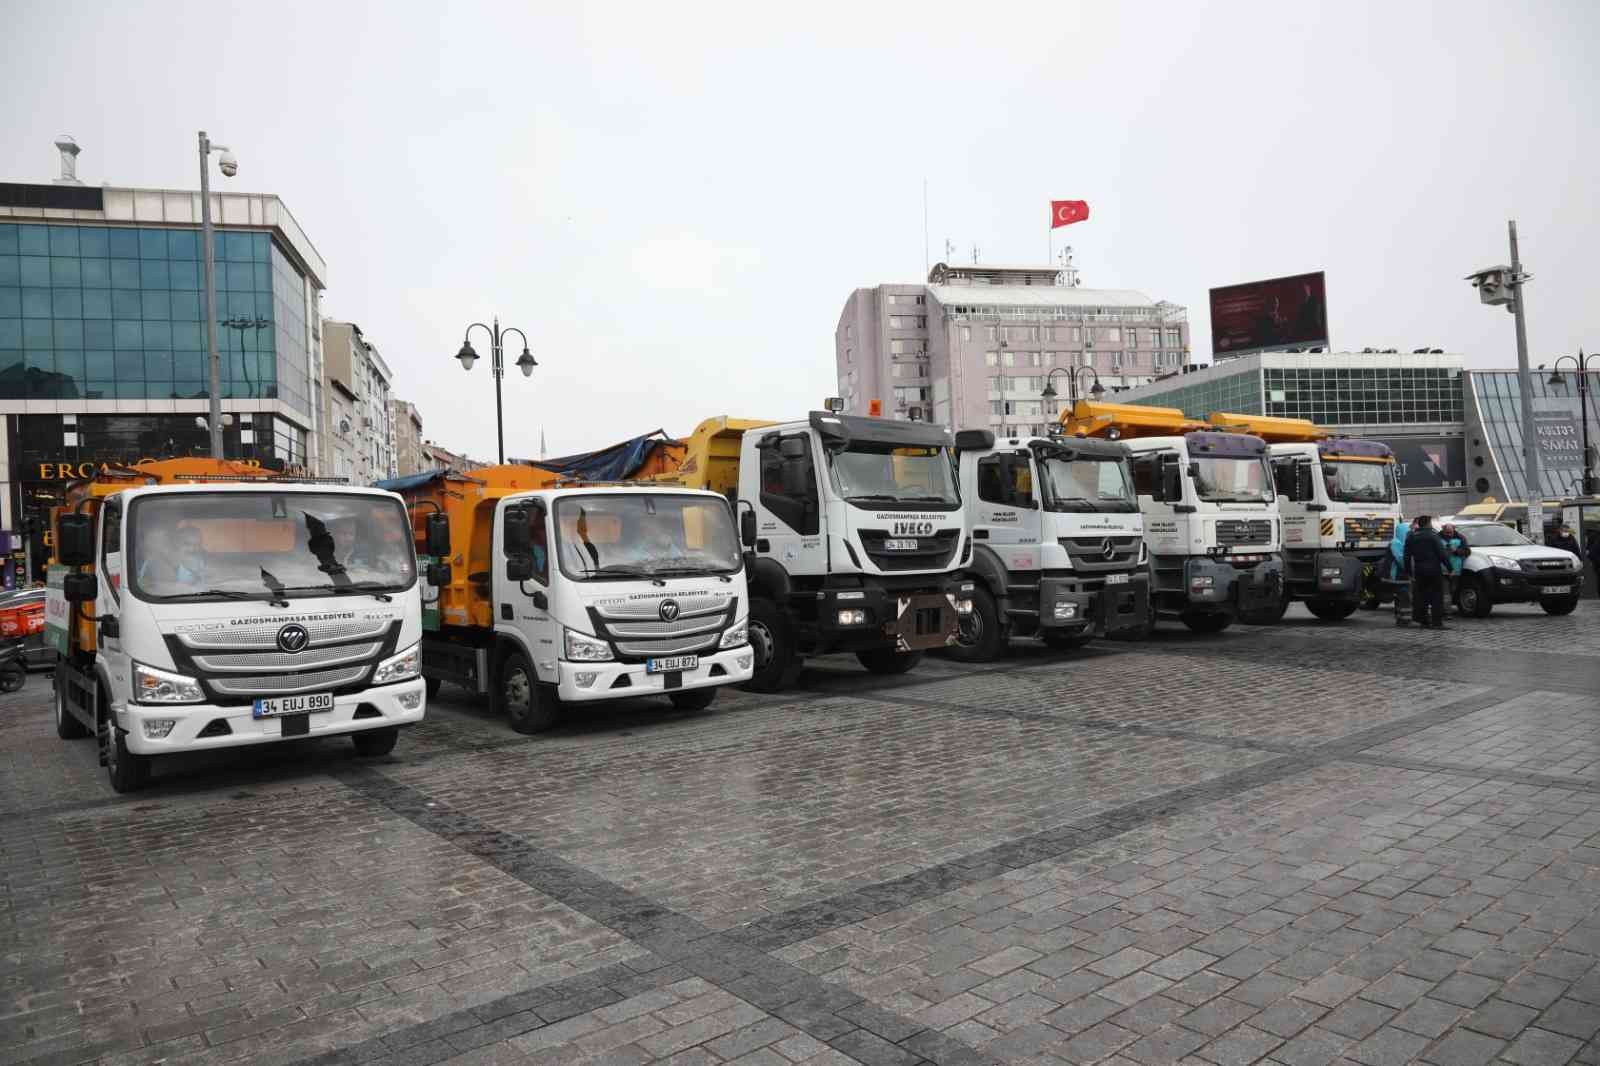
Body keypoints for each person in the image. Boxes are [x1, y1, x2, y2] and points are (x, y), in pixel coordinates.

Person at [1404, 515, 1453, 630]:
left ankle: (1423, 621)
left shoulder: (1411, 537)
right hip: (1433, 570)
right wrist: (1450, 568)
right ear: (1427, 523)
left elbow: (1406, 556)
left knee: (1421, 596)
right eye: (1430, 522)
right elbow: (1442, 554)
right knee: (1436, 596)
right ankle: (1437, 622)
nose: (1431, 525)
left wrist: (1409, 572)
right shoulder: (1433, 536)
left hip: (1419, 570)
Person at [1388, 516, 1412, 626]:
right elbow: (1401, 559)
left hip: (1401, 574)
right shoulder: (1396, 543)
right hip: (1399, 574)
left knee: (1400, 597)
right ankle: (1404, 619)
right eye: (1407, 532)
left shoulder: (1401, 543)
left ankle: (1401, 618)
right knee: (1403, 596)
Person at [1439, 523, 1470, 603]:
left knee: (1453, 590)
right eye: (1447, 532)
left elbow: (1467, 551)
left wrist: (1456, 551)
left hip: (1456, 569)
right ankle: (1447, 611)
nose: (1449, 534)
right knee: (1445, 591)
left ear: (1454, 530)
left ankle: (1450, 606)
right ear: (1443, 530)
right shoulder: (1437, 537)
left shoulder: (1461, 538)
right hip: (1442, 570)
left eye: (1450, 532)